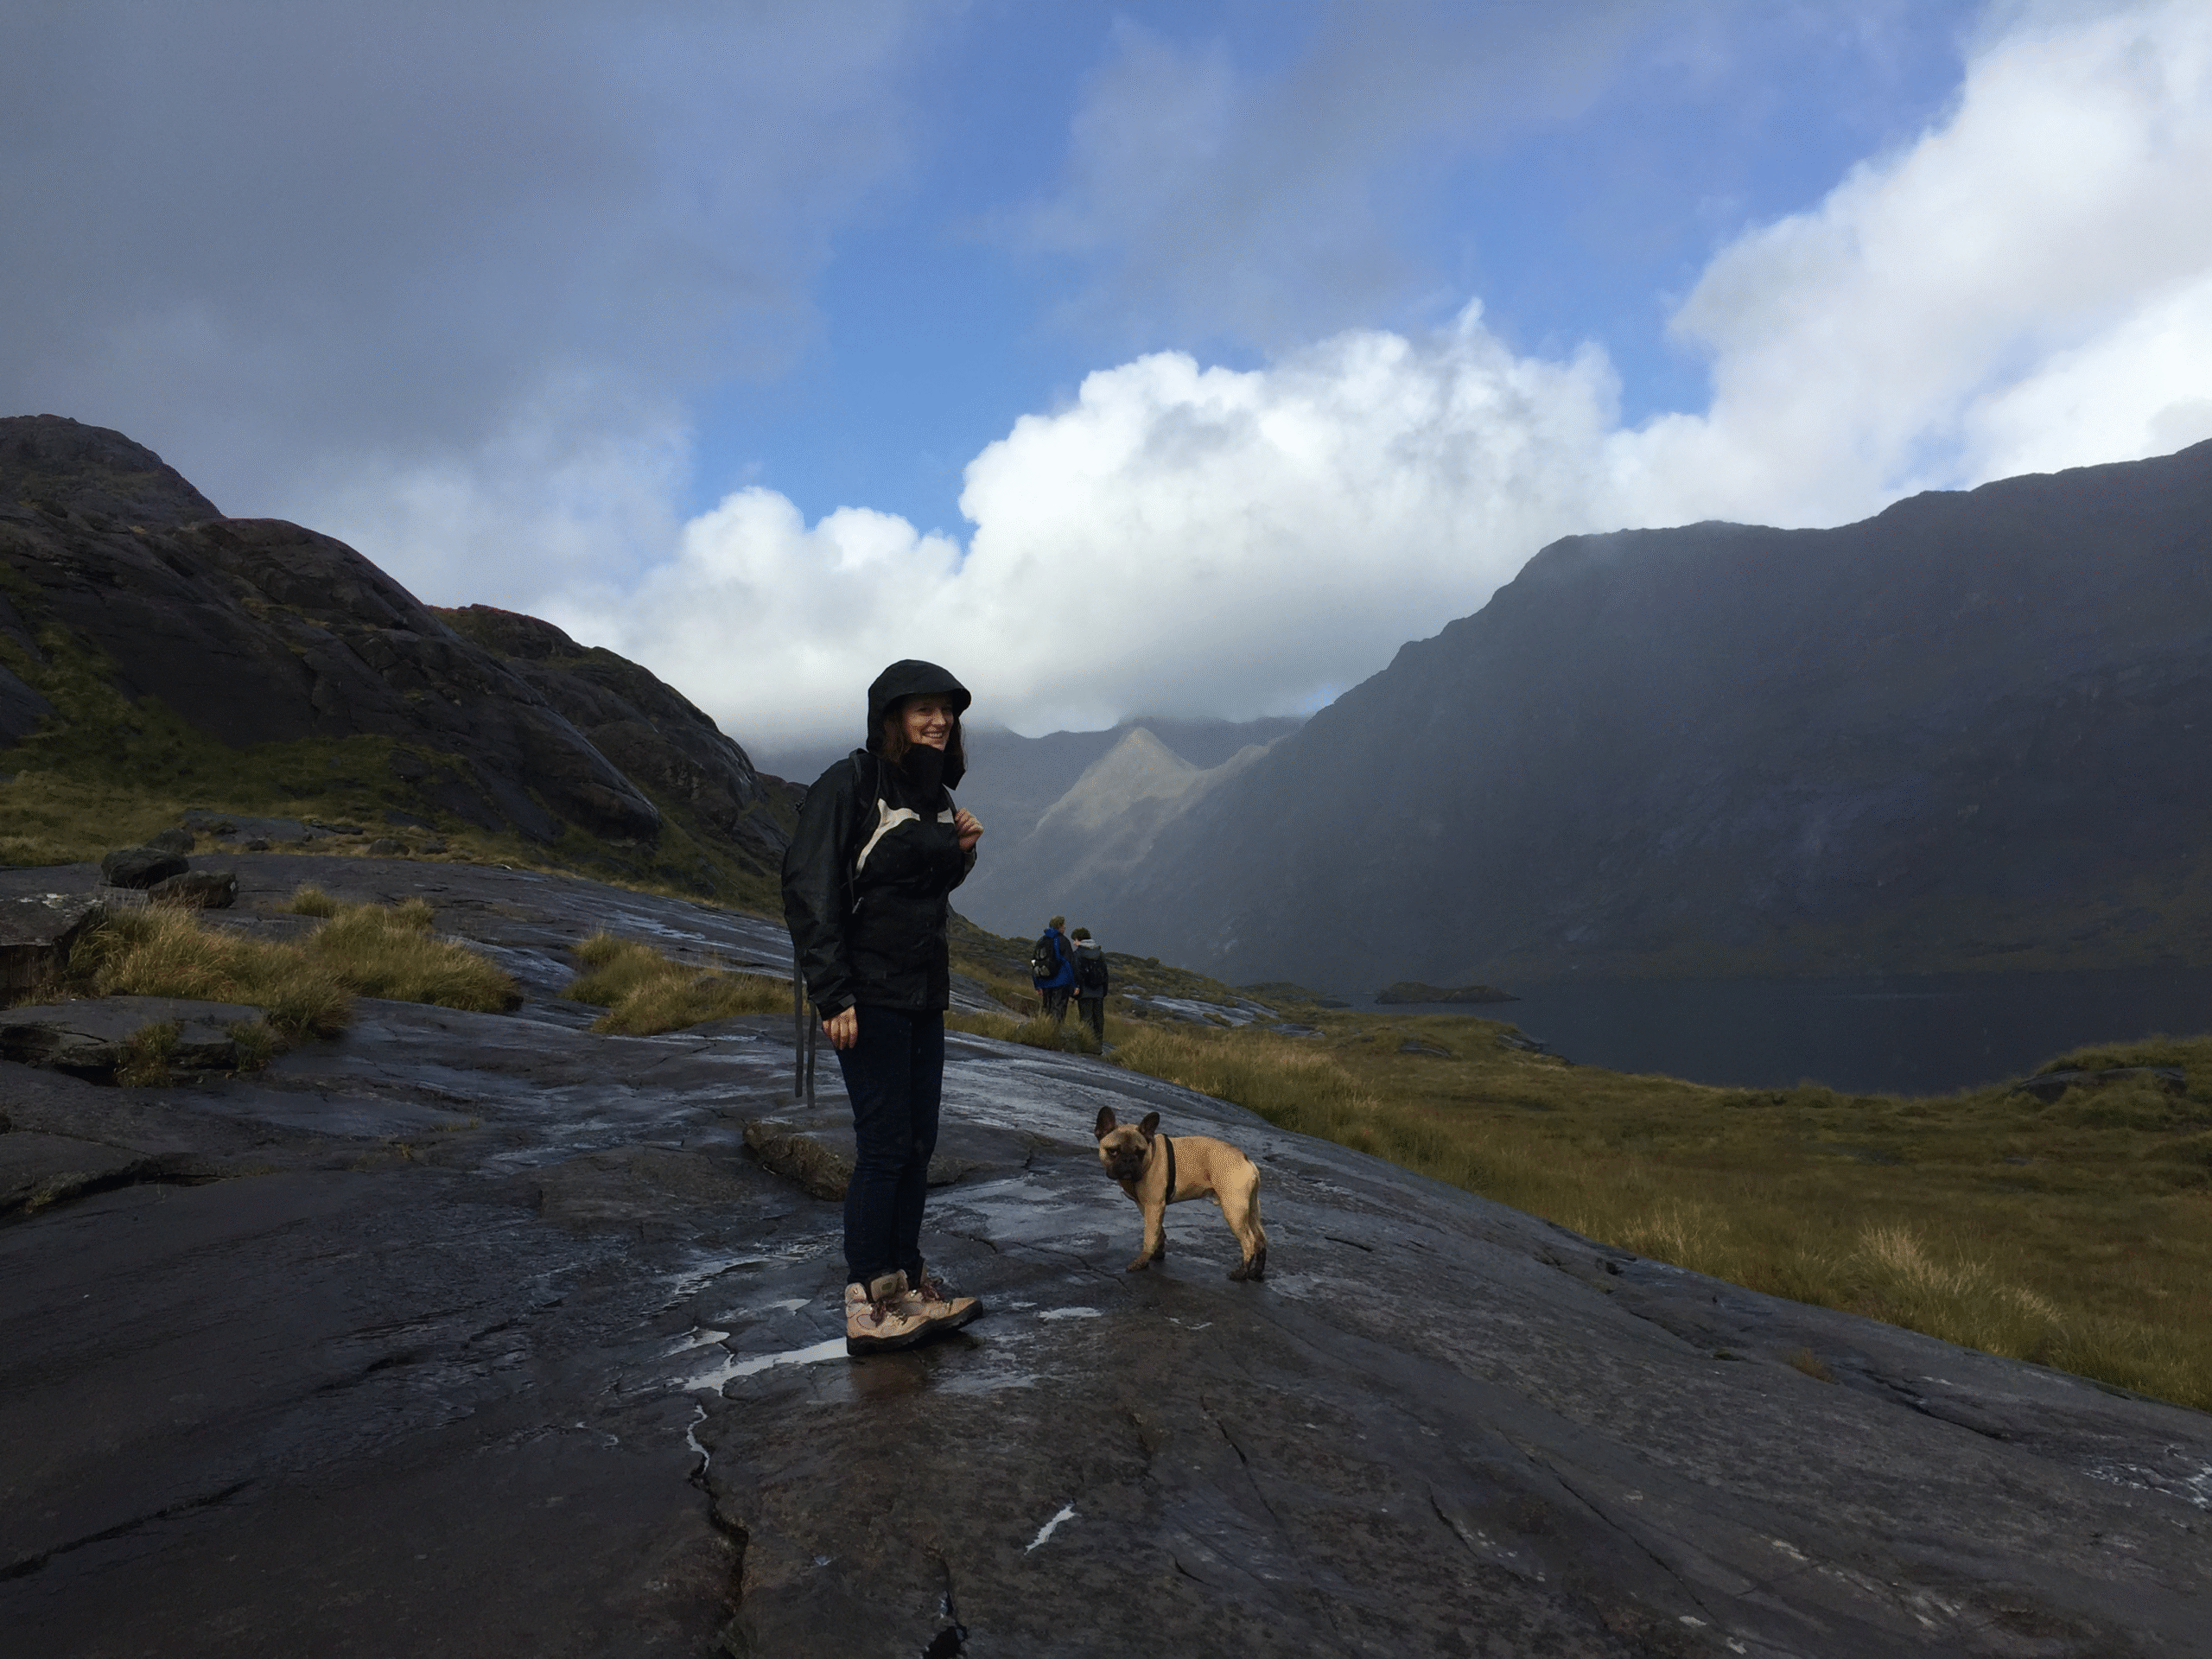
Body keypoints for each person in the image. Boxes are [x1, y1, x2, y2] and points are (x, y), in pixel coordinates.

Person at [782, 660, 987, 1356]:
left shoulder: (937, 794)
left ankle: (909, 1282)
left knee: (919, 1143)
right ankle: (869, 1301)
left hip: (922, 993)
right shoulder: (853, 783)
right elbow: (810, 888)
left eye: (946, 710)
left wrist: (961, 855)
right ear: (891, 718)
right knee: (884, 1145)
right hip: (867, 995)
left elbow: (912, 890)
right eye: (921, 709)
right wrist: (831, 992)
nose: (937, 720)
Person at [1032, 913, 1076, 1025]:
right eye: (1063, 926)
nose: (1065, 928)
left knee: (1046, 1008)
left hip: (1045, 981)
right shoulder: (1063, 941)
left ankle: (1042, 1031)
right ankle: (1054, 1036)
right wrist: (1074, 985)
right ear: (1059, 926)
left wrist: (1037, 984)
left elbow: (1035, 962)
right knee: (1058, 1010)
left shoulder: (1042, 941)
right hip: (1060, 983)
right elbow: (1069, 964)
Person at [1071, 925, 1109, 1043]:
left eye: (1075, 940)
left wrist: (1074, 990)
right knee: (1098, 1019)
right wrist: (1104, 992)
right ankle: (1098, 1045)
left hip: (1084, 991)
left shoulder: (1078, 954)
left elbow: (1076, 973)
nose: (1074, 942)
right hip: (1099, 992)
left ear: (1080, 939)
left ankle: (1087, 1044)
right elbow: (1105, 974)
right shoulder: (1100, 953)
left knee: (1086, 1019)